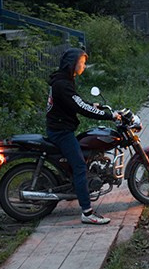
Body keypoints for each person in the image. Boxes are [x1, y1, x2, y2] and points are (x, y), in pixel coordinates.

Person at [46, 48, 120, 225]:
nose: (84, 66)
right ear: (73, 63)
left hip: (61, 127)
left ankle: (78, 190)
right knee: (80, 166)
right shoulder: (62, 84)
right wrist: (109, 116)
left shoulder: (64, 80)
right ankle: (87, 213)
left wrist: (92, 104)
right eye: (82, 62)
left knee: (82, 157)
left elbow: (75, 101)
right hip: (61, 131)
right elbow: (79, 107)